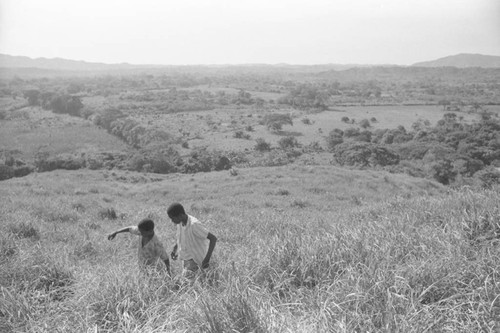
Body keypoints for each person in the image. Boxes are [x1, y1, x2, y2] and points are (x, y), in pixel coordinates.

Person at [167, 203, 217, 275]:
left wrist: (207, 259)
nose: (172, 221)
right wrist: (175, 249)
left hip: (194, 261)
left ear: (180, 215)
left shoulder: (194, 225)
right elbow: (181, 237)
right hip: (185, 260)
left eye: (173, 218)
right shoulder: (180, 223)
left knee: (186, 284)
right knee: (191, 284)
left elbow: (213, 239)